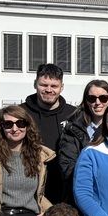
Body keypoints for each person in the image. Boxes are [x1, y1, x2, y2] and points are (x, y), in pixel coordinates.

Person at [22, 63, 76, 203]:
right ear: (35, 84)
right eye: (44, 85)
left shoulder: (74, 115)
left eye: (54, 86)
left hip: (66, 191)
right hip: (29, 190)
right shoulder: (21, 114)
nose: (48, 90)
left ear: (61, 87)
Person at [57, 79, 108, 184]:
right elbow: (67, 167)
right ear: (86, 101)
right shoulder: (71, 129)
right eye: (92, 98)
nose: (97, 103)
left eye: (103, 98)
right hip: (79, 187)